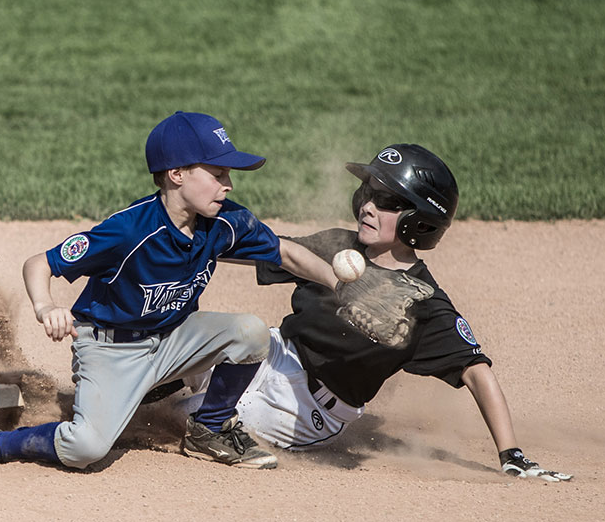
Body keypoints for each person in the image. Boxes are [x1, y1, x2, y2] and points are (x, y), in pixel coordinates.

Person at [0, 111, 337, 470]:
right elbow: (39, 264)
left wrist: (344, 287)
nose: (228, 184)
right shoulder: (129, 231)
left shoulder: (224, 222)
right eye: (217, 173)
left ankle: (209, 430)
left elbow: (287, 255)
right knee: (85, 448)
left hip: (173, 341)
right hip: (111, 351)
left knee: (250, 332)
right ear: (176, 175)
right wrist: (47, 307)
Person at [178, 144, 573, 481]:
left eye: (385, 200)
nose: (367, 206)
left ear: (419, 220)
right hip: (273, 354)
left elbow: (477, 371)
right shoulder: (338, 245)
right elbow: (261, 249)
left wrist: (512, 455)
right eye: (367, 193)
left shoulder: (425, 304)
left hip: (306, 407)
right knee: (172, 357)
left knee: (183, 415)